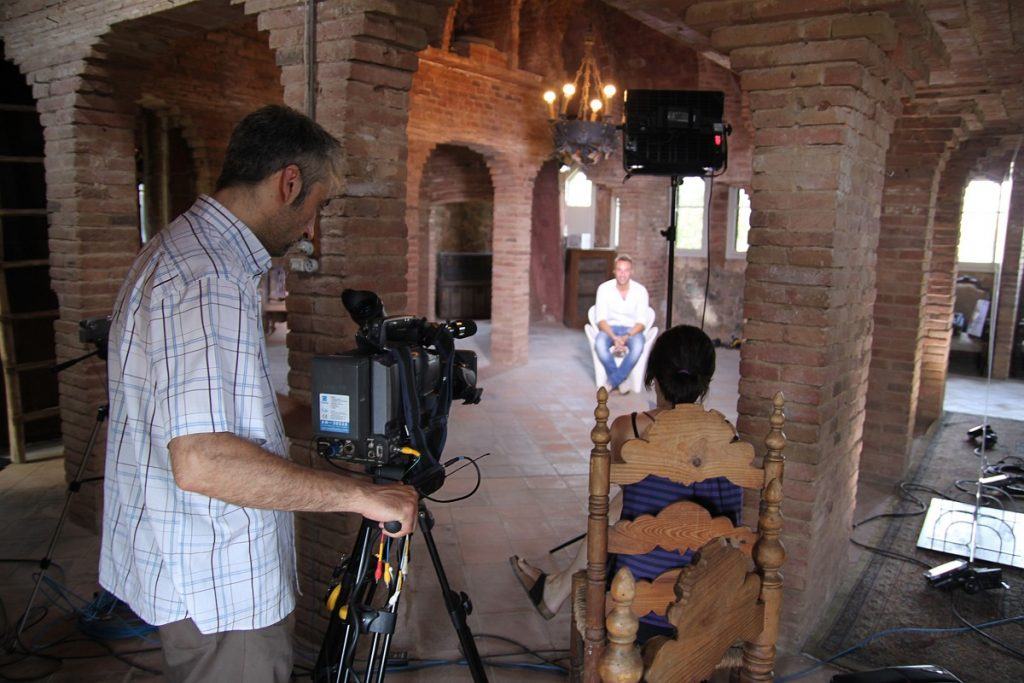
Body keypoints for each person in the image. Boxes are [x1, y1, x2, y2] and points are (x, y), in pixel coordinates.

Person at [99, 105, 419, 683]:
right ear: (289, 183)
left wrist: (313, 419)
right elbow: (201, 460)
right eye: (317, 208)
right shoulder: (211, 278)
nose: (311, 230)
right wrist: (362, 498)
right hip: (220, 583)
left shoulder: (178, 250)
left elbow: (205, 405)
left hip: (187, 562)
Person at [510, 325, 742, 641]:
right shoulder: (731, 438)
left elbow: (620, 502)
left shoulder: (628, 430)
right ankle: (555, 588)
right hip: (709, 605)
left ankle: (556, 589)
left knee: (622, 503)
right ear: (707, 381)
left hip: (633, 605)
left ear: (653, 377)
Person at [593, 255, 649, 393]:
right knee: (599, 344)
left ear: (631, 272)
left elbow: (641, 323)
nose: (622, 274)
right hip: (609, 329)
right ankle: (622, 380)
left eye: (626, 270)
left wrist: (625, 337)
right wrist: (614, 337)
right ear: (614, 271)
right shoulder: (604, 289)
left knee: (638, 346)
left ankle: (612, 381)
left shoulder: (640, 291)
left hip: (632, 330)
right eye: (619, 270)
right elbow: (601, 320)